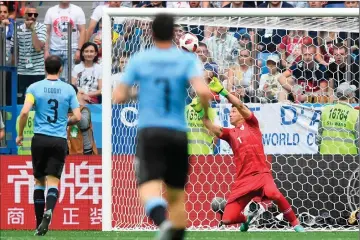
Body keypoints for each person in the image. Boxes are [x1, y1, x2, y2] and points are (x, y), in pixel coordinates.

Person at [113, 13, 211, 240]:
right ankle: (173, 229)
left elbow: (118, 96)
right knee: (176, 195)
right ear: (174, 35)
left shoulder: (140, 59)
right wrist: (206, 117)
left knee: (148, 185)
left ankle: (162, 222)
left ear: (152, 33)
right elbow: (204, 92)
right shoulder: (187, 60)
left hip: (150, 131)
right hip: (178, 132)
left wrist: (140, 92)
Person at [193, 77, 305, 232]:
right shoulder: (230, 133)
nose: (230, 114)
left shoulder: (252, 124)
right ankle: (248, 219)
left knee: (274, 194)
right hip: (243, 180)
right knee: (227, 219)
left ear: (241, 113)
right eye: (230, 111)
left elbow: (239, 104)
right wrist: (200, 111)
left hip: (261, 174)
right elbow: (209, 125)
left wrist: (222, 91)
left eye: (233, 111)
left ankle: (296, 224)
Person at [16, 55, 81, 236]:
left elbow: (24, 112)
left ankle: (38, 224)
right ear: (61, 69)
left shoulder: (34, 87)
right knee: (54, 181)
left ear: (45, 68)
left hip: (39, 139)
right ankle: (49, 211)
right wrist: (63, 123)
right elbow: (78, 117)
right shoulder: (68, 89)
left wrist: (20, 134)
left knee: (39, 181)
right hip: (58, 140)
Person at [317, 82, 359, 154]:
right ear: (350, 95)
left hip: (325, 156)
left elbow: (319, 137)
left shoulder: (326, 110)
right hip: (348, 158)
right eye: (353, 93)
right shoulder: (355, 114)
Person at [67, 84, 98, 155]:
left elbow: (84, 124)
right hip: (65, 152)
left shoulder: (83, 110)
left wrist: (74, 107)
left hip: (84, 153)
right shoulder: (60, 111)